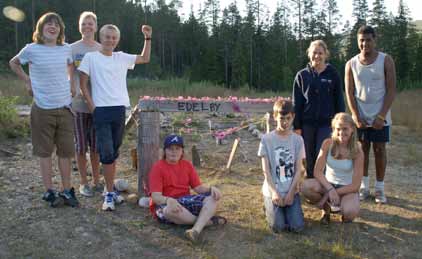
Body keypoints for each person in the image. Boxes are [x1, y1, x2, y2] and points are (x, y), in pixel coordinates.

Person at [78, 23, 152, 211]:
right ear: (100, 38)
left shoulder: (121, 57)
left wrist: (147, 38)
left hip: (119, 109)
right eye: (107, 37)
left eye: (113, 37)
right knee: (107, 153)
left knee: (114, 151)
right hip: (101, 111)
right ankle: (109, 194)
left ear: (117, 40)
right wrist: (92, 106)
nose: (110, 40)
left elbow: (144, 58)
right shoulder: (91, 57)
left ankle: (108, 189)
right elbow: (83, 84)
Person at [9, 12, 79, 207]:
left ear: (60, 30)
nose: (53, 26)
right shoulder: (31, 49)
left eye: (56, 24)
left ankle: (67, 191)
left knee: (66, 153)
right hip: (42, 108)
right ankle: (49, 191)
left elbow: (71, 65)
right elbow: (13, 63)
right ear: (41, 28)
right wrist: (27, 81)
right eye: (48, 23)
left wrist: (72, 84)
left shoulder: (65, 48)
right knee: (45, 152)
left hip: (65, 108)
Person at [345, 25, 396, 204]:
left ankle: (380, 189)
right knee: (362, 150)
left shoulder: (385, 60)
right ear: (357, 42)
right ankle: (363, 187)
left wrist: (381, 116)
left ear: (374, 40)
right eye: (361, 40)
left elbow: (391, 90)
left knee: (379, 150)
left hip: (380, 117)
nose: (364, 43)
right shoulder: (351, 64)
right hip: (361, 117)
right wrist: (356, 116)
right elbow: (349, 92)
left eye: (368, 40)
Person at [149, 134, 226, 243]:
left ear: (182, 151)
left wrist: (211, 188)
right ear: (164, 151)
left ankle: (195, 230)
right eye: (170, 149)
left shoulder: (187, 165)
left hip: (185, 200)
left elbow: (198, 188)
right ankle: (208, 221)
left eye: (177, 149)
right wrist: (168, 200)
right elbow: (155, 197)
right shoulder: (158, 168)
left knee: (212, 198)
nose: (174, 152)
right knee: (168, 211)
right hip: (166, 203)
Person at [292, 40, 345, 178]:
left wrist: (340, 125)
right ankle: (310, 184)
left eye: (320, 53)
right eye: (314, 53)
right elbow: (297, 104)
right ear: (309, 54)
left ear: (326, 55)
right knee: (308, 156)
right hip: (307, 124)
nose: (317, 56)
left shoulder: (332, 74)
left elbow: (339, 101)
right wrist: (297, 126)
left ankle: (323, 186)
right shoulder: (302, 76)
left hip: (326, 125)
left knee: (322, 156)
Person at [301, 113, 363, 224]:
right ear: (334, 129)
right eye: (338, 129)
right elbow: (317, 171)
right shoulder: (327, 144)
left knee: (349, 212)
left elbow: (356, 185)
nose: (341, 133)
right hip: (328, 185)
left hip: (347, 189)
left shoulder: (357, 150)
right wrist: (330, 190)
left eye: (345, 129)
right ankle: (327, 210)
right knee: (306, 186)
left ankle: (342, 208)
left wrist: (330, 194)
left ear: (352, 129)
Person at [258, 99, 306, 233]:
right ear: (275, 117)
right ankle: (268, 205)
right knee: (278, 227)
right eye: (281, 118)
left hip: (290, 188)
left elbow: (298, 169)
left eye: (288, 119)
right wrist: (274, 192)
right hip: (274, 188)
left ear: (293, 117)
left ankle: (289, 209)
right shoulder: (266, 140)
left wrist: (291, 193)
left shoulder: (298, 140)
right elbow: (266, 171)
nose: (285, 122)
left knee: (297, 227)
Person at [71, 11, 102, 197]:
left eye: (90, 23)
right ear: (79, 26)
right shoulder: (72, 49)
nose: (87, 26)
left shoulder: (102, 48)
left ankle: (97, 181)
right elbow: (66, 73)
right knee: (81, 146)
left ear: (96, 27)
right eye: (84, 23)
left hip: (98, 106)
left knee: (96, 147)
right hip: (78, 106)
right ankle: (84, 183)